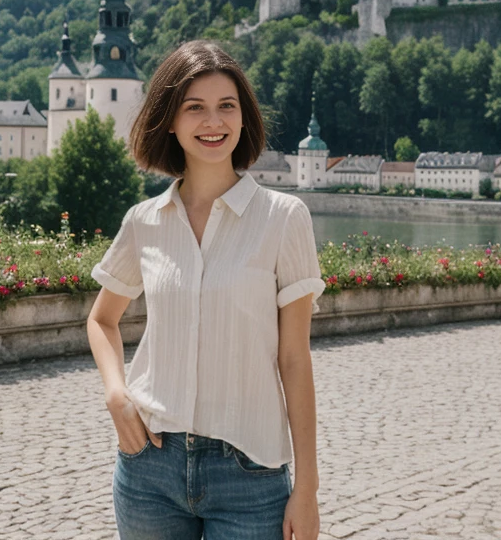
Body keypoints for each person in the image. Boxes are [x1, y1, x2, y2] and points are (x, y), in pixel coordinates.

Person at [87, 40, 324, 540]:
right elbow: (101, 319)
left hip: (250, 476)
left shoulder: (284, 219)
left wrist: (307, 490)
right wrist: (116, 394)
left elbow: (295, 360)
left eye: (226, 107)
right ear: (170, 121)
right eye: (194, 108)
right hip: (148, 466)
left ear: (244, 119)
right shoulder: (144, 221)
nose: (212, 122)